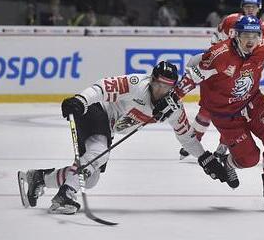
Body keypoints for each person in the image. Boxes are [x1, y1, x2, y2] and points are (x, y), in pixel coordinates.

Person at [20, 61, 229, 214]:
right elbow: (103, 87)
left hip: (108, 127)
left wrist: (204, 158)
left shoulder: (173, 108)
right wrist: (81, 100)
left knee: (91, 179)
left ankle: (39, 177)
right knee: (98, 153)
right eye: (158, 84)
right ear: (152, 80)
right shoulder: (137, 83)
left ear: (173, 88)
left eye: (167, 87)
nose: (161, 90)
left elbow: (186, 137)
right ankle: (65, 195)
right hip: (96, 110)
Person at [175, 15, 264, 208]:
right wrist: (172, 97)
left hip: (253, 102)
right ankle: (228, 162)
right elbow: (192, 76)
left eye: (255, 35)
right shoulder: (220, 54)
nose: (251, 40)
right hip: (225, 115)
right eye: (246, 35)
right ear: (236, 35)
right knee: (249, 159)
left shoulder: (263, 49)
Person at [179, 0, 264, 160]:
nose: (250, 9)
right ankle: (193, 141)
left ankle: (223, 146)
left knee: (235, 105)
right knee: (208, 108)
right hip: (224, 70)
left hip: (246, 72)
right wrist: (221, 61)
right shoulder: (229, 21)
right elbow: (215, 44)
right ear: (242, 6)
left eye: (253, 6)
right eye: (247, 6)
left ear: (259, 8)